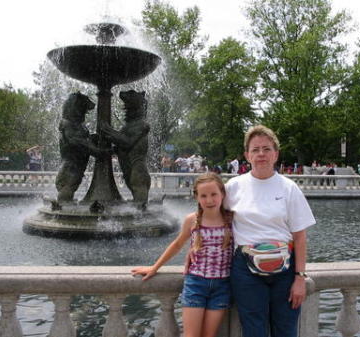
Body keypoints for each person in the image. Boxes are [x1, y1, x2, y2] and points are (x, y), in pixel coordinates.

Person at [225, 125, 316, 337]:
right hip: (245, 270)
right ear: (247, 155)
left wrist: (300, 278)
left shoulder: (289, 188)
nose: (261, 154)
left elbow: (300, 237)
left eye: (266, 149)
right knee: (253, 330)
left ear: (276, 154)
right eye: (255, 150)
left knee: (285, 330)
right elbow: (212, 219)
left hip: (285, 270)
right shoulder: (233, 187)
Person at [132, 173, 233, 337]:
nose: (209, 200)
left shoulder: (231, 219)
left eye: (214, 194)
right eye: (204, 196)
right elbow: (177, 244)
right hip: (196, 284)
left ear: (223, 194)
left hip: (222, 285)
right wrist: (155, 267)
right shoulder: (192, 220)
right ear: (196, 197)